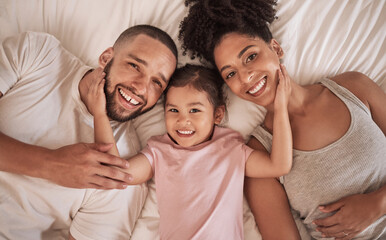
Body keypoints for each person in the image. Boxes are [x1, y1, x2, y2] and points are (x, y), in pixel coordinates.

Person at [178, 0, 386, 240]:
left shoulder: (353, 87)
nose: (245, 77)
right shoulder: (259, 156)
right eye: (231, 73)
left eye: (250, 56)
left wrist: (377, 204)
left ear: (276, 49)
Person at [0, 25, 177, 239]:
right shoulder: (39, 53)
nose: (141, 88)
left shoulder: (121, 172)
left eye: (157, 82)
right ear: (106, 57)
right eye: (135, 66)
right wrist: (50, 164)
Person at [86, 63, 293, 239]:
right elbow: (114, 172)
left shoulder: (231, 149)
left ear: (217, 115)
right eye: (173, 110)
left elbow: (279, 165)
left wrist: (280, 108)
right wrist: (100, 114)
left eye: (195, 110)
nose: (183, 120)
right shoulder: (159, 151)